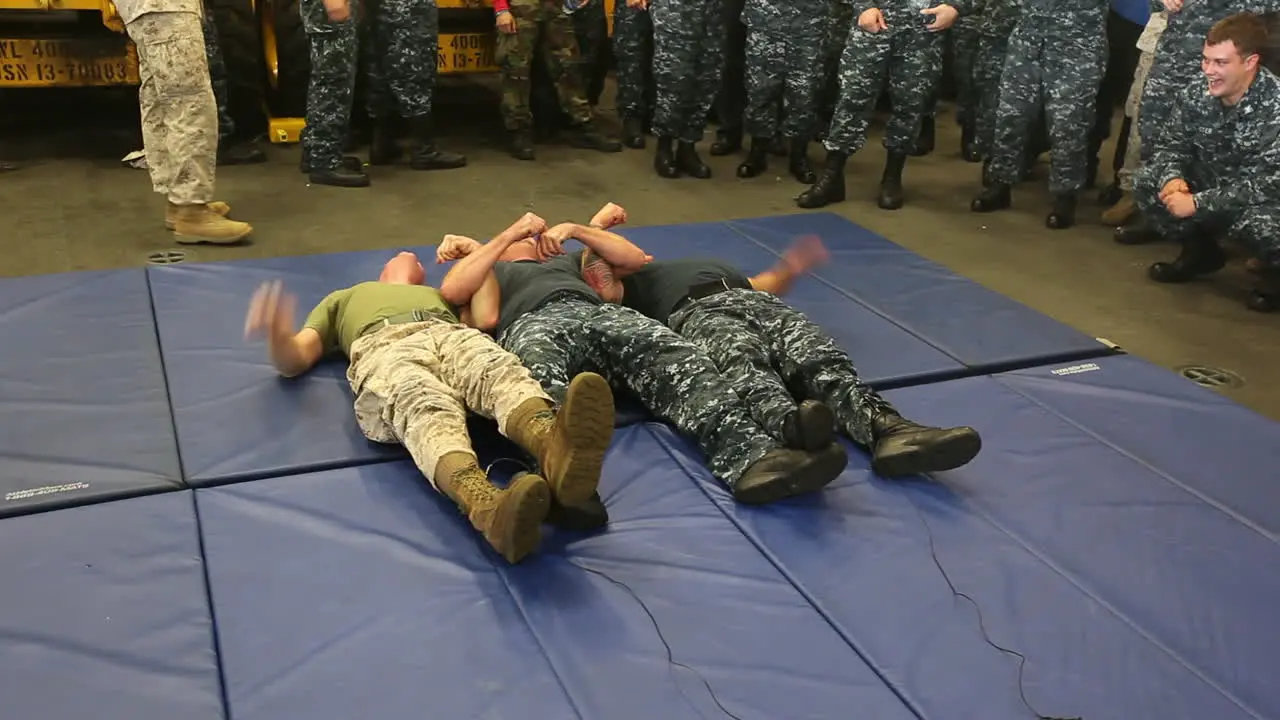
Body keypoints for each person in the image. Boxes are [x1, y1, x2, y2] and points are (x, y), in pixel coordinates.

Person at [241, 217, 616, 564]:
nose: (409, 255)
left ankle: (555, 448)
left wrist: (477, 251)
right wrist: (276, 333)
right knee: (421, 406)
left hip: (450, 334)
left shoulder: (443, 296)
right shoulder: (343, 298)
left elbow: (485, 318)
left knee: (495, 368)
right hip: (384, 345)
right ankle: (488, 509)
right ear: (382, 270)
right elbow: (295, 359)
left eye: (417, 259)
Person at [436, 203, 850, 506]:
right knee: (542, 394)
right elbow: (457, 295)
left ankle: (750, 455)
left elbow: (628, 263)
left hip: (596, 313)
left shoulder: (571, 264)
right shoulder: (492, 270)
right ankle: (567, 490)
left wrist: (581, 228)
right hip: (533, 324)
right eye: (521, 240)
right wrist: (499, 239)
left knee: (680, 358)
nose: (530, 242)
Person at [585, 235, 984, 478]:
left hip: (754, 299)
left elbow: (770, 282)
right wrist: (574, 230)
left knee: (821, 360)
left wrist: (792, 267)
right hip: (696, 313)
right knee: (744, 365)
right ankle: (792, 428)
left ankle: (891, 431)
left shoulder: (683, 267)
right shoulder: (627, 297)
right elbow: (593, 257)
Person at [1126, 12, 1280, 311]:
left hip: (1262, 200)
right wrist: (1173, 179)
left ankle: (1274, 276)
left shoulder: (1276, 107)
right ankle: (1201, 253)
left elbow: (1269, 185)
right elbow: (1173, 145)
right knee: (1149, 180)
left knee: (1269, 229)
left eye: (1220, 63)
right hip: (1215, 183)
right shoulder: (1197, 91)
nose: (1208, 70)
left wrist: (1197, 203)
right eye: (1206, 59)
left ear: (1250, 63)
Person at [796, 0, 964, 211]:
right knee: (852, 100)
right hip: (873, 25)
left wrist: (956, 6)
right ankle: (832, 177)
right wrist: (863, 6)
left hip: (923, 31)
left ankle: (892, 178)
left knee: (910, 103)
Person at [113, 0, 252, 244]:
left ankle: (179, 203)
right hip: (165, 6)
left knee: (161, 98)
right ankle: (191, 211)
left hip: (148, 8)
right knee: (190, 102)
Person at [969, 0, 1109, 229]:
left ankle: (1065, 196)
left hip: (1077, 46)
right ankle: (1000, 183)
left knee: (1068, 123)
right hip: (1028, 41)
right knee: (1011, 115)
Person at [300, 0, 467, 188]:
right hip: (331, 12)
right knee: (333, 82)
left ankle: (318, 154)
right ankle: (324, 162)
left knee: (331, 81)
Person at [493, 0, 621, 161]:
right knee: (516, 69)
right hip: (520, 7)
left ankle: (583, 125)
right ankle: (517, 131)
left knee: (568, 66)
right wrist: (501, 9)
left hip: (554, 7)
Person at [733, 0, 826, 184]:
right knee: (760, 90)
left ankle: (799, 156)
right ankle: (757, 152)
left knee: (804, 93)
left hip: (808, 24)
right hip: (765, 20)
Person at [649, 0, 726, 178]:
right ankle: (664, 147)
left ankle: (688, 147)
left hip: (712, 15)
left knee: (705, 80)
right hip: (675, 12)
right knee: (673, 79)